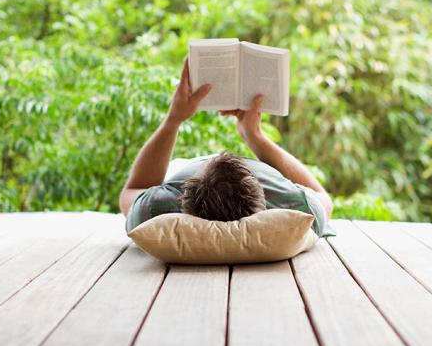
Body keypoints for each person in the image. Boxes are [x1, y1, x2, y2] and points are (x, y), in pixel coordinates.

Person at [119, 58, 333, 236]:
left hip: (183, 169)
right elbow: (323, 197)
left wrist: (173, 119)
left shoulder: (158, 209)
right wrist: (254, 135)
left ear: (183, 199)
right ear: (265, 200)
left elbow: (131, 191)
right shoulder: (299, 212)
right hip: (258, 175)